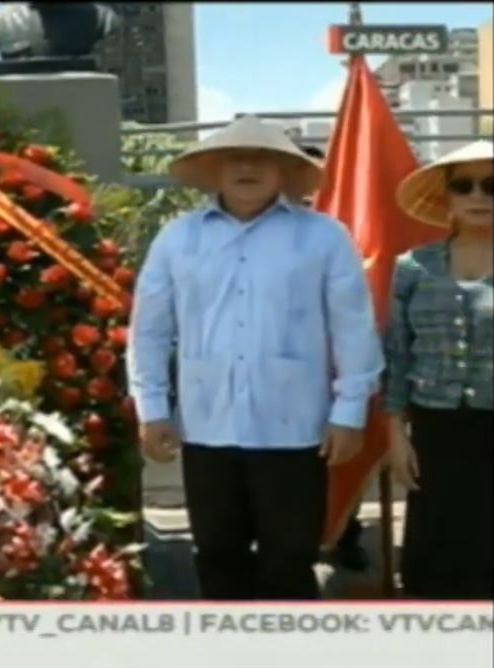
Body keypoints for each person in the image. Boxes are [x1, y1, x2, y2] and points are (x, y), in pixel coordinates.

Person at [127, 116, 384, 600]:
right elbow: (149, 330)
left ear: (286, 171)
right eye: (235, 158)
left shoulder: (325, 237)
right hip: (205, 425)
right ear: (214, 170)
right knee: (217, 555)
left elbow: (353, 329)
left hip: (294, 427)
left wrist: (349, 411)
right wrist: (153, 408)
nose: (248, 167)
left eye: (263, 158)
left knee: (290, 560)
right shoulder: (178, 239)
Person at [385, 140, 493, 600]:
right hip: (435, 428)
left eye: (491, 185)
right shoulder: (412, 268)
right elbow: (396, 354)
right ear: (446, 197)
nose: (478, 196)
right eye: (464, 185)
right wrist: (394, 433)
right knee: (436, 555)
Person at [297, 144, 369, 573]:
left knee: (342, 463)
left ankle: (345, 535)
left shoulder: (338, 229)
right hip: (289, 376)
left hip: (340, 370)